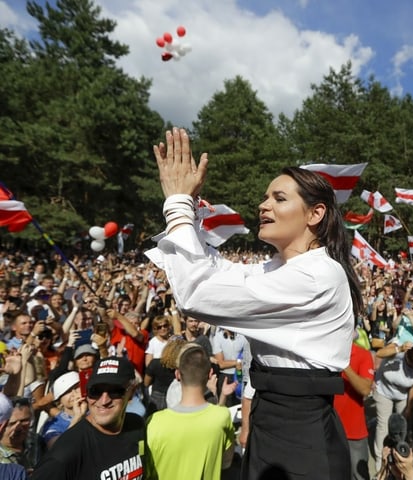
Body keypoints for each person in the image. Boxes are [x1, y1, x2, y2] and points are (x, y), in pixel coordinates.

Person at [146, 127, 363, 480]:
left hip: (300, 435)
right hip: (270, 420)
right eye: (266, 197)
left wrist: (177, 204)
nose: (263, 205)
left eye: (279, 198)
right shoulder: (277, 269)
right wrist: (192, 211)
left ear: (315, 214)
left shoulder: (318, 275)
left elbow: (197, 293)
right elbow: (216, 273)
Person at [31, 356, 145, 480]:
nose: (104, 400)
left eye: (115, 391)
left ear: (132, 392)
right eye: (95, 391)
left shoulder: (136, 425)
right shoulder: (66, 453)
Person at [145, 343, 235, 479]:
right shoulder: (221, 416)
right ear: (210, 373)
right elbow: (226, 463)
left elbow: (147, 472)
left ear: (177, 374)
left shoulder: (153, 422)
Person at [372, 344, 413, 470]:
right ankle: (380, 460)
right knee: (383, 426)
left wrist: (408, 408)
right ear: (406, 356)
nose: (412, 368)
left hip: (402, 395)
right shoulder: (397, 355)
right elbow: (379, 353)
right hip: (383, 391)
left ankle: (402, 455)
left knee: (404, 426)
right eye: (410, 365)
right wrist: (399, 349)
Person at [334, 339, 375, 480]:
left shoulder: (363, 354)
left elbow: (365, 389)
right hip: (327, 427)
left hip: (353, 431)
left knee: (359, 475)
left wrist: (345, 365)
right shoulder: (323, 352)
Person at [39, 371, 86, 449]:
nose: (74, 393)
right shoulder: (54, 425)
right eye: (67, 392)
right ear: (59, 401)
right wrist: (77, 418)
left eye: (77, 387)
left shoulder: (96, 410)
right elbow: (56, 448)